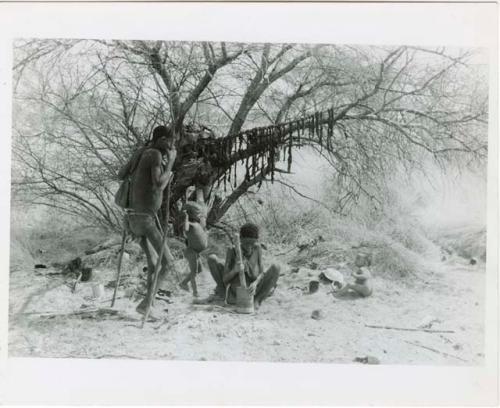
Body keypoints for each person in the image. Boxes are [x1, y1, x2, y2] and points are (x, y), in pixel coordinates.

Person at [119, 125, 177, 317]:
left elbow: (120, 174)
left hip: (130, 218)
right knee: (168, 263)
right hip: (145, 220)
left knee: (153, 262)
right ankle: (146, 304)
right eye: (170, 141)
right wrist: (171, 164)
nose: (171, 145)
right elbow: (159, 183)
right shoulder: (155, 155)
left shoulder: (140, 152)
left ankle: (149, 304)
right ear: (161, 140)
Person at [200, 223, 280, 309]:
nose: (249, 247)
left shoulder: (257, 249)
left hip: (253, 289)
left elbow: (261, 273)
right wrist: (234, 270)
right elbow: (225, 279)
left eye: (252, 243)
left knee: (276, 267)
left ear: (256, 241)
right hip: (235, 290)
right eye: (246, 243)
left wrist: (255, 283)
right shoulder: (232, 250)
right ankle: (223, 293)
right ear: (240, 240)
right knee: (212, 258)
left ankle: (257, 300)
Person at [179, 200, 209, 297]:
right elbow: (186, 229)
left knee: (199, 270)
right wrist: (186, 217)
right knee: (194, 272)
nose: (199, 216)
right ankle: (195, 292)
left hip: (196, 252)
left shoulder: (198, 225)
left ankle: (183, 283)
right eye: (198, 214)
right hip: (191, 251)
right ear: (191, 214)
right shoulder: (190, 225)